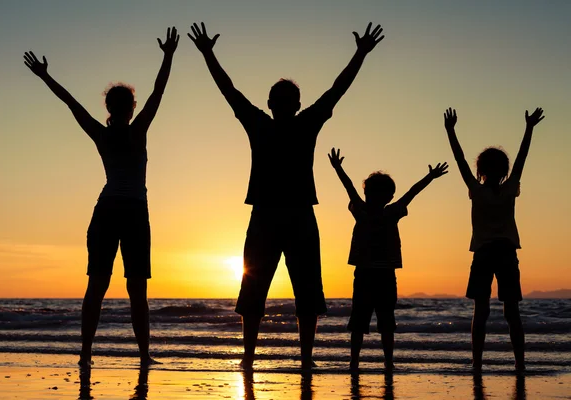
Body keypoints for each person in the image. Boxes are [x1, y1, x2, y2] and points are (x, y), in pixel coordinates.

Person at [188, 21, 385, 370]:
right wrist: (360, 54)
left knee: (275, 291)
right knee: (283, 291)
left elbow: (229, 90)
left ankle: (255, 359)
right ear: (293, 104)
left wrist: (208, 54)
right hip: (287, 216)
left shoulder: (267, 123)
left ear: (280, 104)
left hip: (277, 216)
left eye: (283, 100)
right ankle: (291, 361)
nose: (283, 104)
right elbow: (336, 90)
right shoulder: (293, 123)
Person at [23, 27, 180, 367]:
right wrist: (167, 56)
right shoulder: (138, 130)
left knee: (99, 285)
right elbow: (159, 91)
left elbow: (70, 102)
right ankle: (141, 355)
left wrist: (45, 76)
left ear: (109, 107)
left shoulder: (102, 133)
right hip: (133, 212)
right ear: (130, 107)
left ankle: (87, 353)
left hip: (109, 210)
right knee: (135, 290)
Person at [328, 148, 448, 371]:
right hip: (380, 275)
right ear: (390, 196)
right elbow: (412, 192)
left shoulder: (363, 210)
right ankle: (386, 362)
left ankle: (358, 362)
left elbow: (350, 188)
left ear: (368, 194)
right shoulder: (389, 212)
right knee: (382, 321)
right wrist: (430, 177)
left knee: (365, 321)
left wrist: (338, 168)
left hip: (367, 274)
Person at [443, 107, 545, 371]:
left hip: (485, 253)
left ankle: (477, 364)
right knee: (512, 311)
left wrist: (450, 131)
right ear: (504, 170)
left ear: (481, 170)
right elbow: (522, 159)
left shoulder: (477, 190)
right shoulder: (510, 188)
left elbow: (460, 160)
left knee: (482, 310)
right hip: (506, 253)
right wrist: (529, 128)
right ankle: (519, 365)